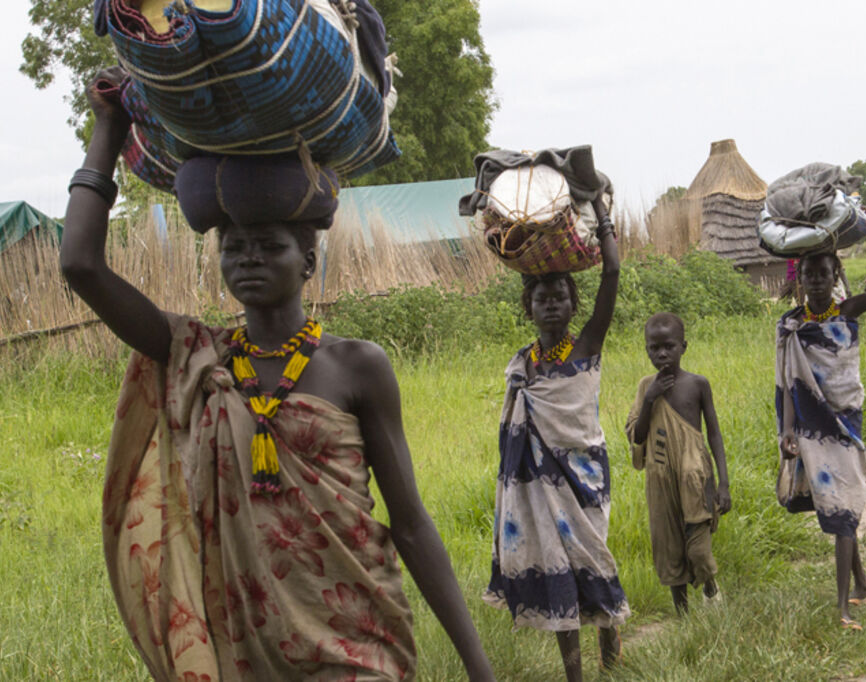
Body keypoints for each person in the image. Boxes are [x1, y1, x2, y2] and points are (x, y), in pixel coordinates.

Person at [60, 68, 494, 681]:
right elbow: (80, 264)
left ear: (309, 260)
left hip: (355, 641)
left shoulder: (356, 366)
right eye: (233, 247)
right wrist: (108, 130)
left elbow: (413, 523)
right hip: (244, 651)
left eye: (269, 244)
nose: (249, 257)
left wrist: (480, 668)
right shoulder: (196, 356)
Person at [484, 197, 629, 682]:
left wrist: (601, 215)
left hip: (585, 476)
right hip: (538, 486)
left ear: (574, 304)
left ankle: (611, 646)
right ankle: (576, 676)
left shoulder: (587, 346)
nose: (550, 303)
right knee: (559, 570)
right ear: (527, 306)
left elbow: (610, 274)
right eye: (541, 296)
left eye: (560, 295)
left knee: (594, 558)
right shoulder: (522, 365)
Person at [775, 219, 866, 631]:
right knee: (839, 509)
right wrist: (786, 431)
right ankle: (860, 585)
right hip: (811, 429)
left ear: (836, 276)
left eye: (824, 273)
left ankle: (843, 606)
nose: (816, 281)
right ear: (800, 279)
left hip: (846, 421)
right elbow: (785, 383)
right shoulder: (790, 325)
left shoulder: (849, 310)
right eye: (809, 274)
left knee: (844, 505)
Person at [625, 312, 732, 615]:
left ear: (683, 346)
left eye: (668, 346)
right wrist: (650, 399)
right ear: (646, 349)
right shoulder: (646, 386)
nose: (661, 354)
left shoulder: (698, 384)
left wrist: (723, 484)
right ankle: (682, 617)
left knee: (698, 549)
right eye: (653, 348)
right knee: (669, 547)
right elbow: (638, 435)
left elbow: (713, 433)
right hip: (660, 479)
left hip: (695, 476)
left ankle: (710, 585)